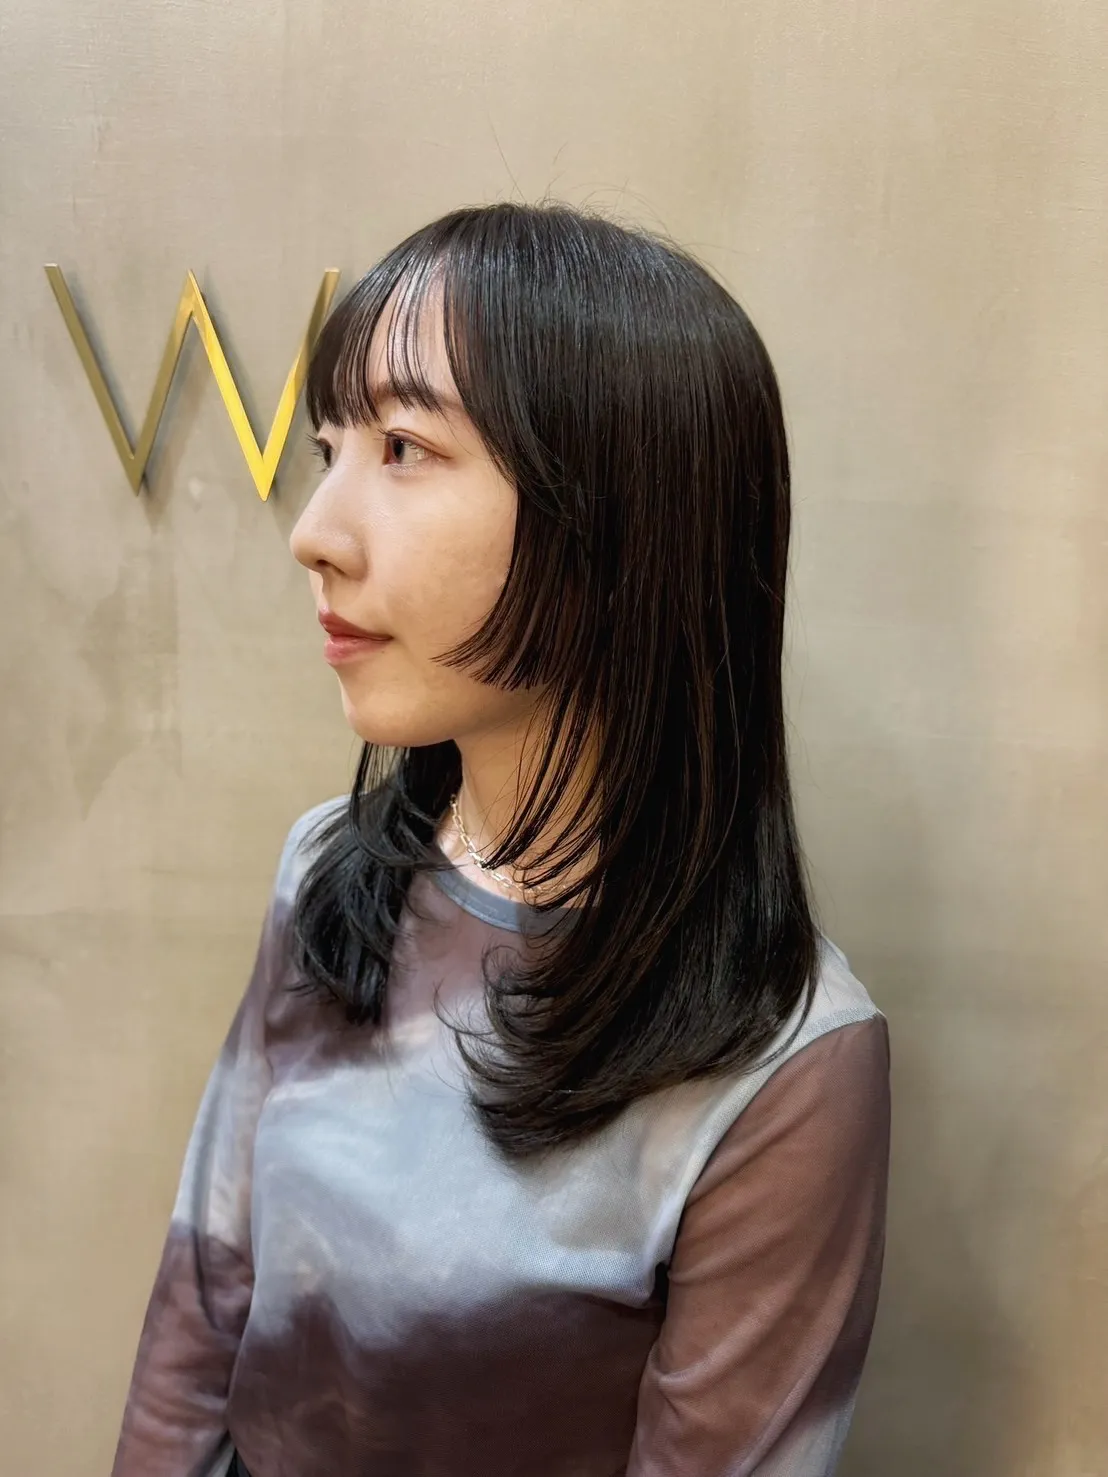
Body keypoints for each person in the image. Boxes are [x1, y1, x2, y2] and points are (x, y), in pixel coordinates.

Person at [110, 201, 891, 1477]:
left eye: (404, 448)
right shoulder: (331, 873)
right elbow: (202, 1313)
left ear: (623, 520)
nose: (315, 532)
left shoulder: (785, 1063)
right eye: (329, 448)